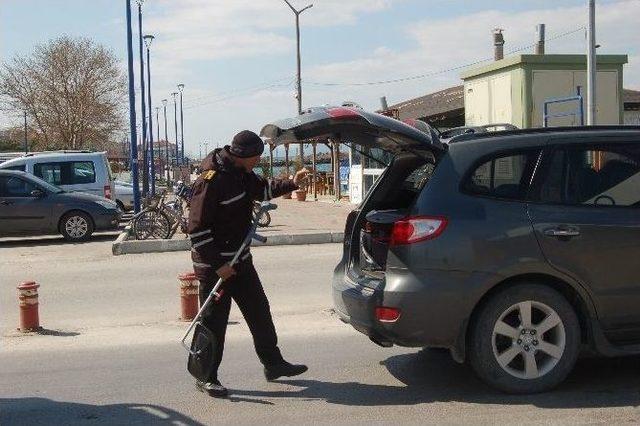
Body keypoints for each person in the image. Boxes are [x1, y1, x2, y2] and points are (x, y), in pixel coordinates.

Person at [187, 130, 309, 398]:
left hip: (240, 260)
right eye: (257, 157)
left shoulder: (242, 174)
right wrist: (219, 264)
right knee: (213, 322)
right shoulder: (211, 181)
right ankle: (206, 376)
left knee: (259, 311)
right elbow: (196, 230)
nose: (258, 162)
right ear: (245, 156)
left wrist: (292, 182)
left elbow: (262, 189)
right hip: (215, 267)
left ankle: (273, 364)